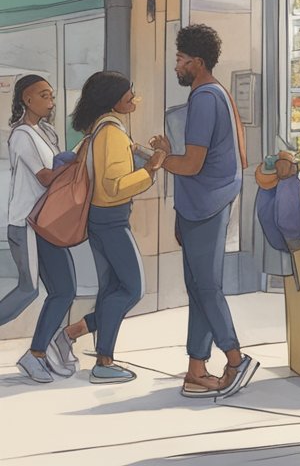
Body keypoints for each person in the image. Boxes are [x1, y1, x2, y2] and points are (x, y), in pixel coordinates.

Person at [151, 25, 257, 399]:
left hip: (206, 204)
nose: (176, 66)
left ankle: (235, 358)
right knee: (198, 287)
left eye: (180, 60)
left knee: (207, 286)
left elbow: (193, 163)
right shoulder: (215, 94)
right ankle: (197, 369)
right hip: (203, 203)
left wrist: (160, 159)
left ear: (196, 62)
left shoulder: (204, 98)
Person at [53, 72, 165, 384]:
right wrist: (151, 169)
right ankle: (75, 336)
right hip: (112, 219)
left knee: (111, 289)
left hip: (96, 220)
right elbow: (114, 186)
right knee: (132, 289)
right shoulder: (112, 133)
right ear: (112, 100)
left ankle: (102, 358)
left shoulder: (98, 131)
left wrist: (147, 153)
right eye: (128, 95)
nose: (134, 99)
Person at [8, 74, 80, 382]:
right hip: (27, 222)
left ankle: (36, 353)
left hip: (47, 221)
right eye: (44, 95)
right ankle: (36, 354)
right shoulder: (22, 135)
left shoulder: (47, 131)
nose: (51, 100)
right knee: (29, 290)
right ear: (27, 99)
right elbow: (45, 177)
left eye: (51, 95)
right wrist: (78, 161)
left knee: (64, 289)